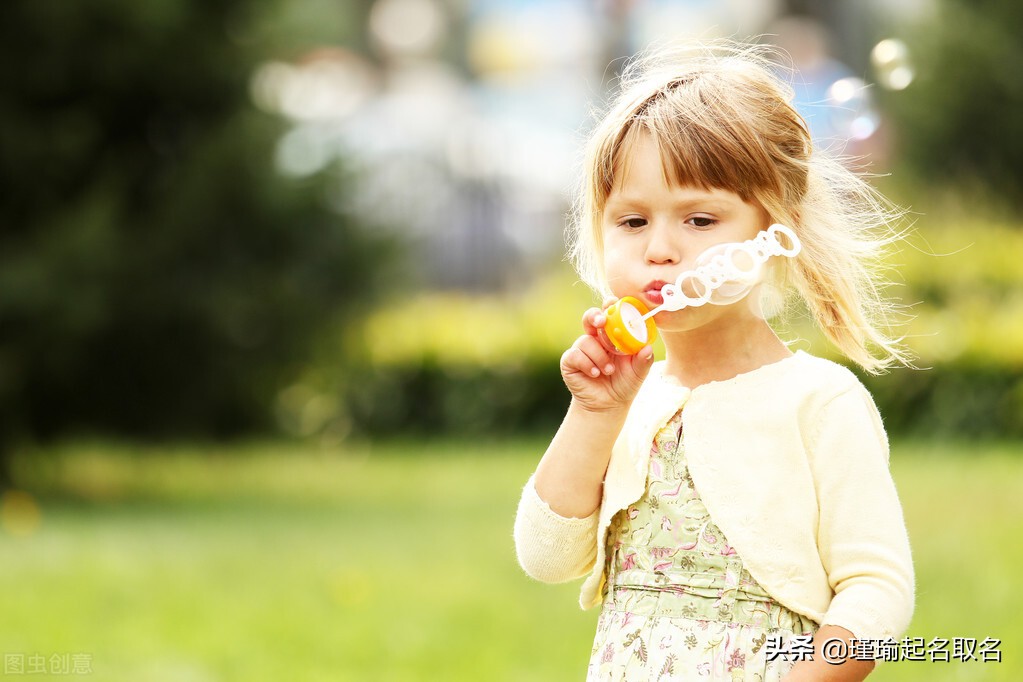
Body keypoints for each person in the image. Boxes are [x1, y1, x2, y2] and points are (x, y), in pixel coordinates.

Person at [513, 42, 914, 681]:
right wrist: (594, 414)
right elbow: (546, 555)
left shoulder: (818, 401)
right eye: (633, 220)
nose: (662, 250)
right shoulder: (628, 401)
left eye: (700, 219)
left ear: (778, 227)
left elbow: (877, 590)